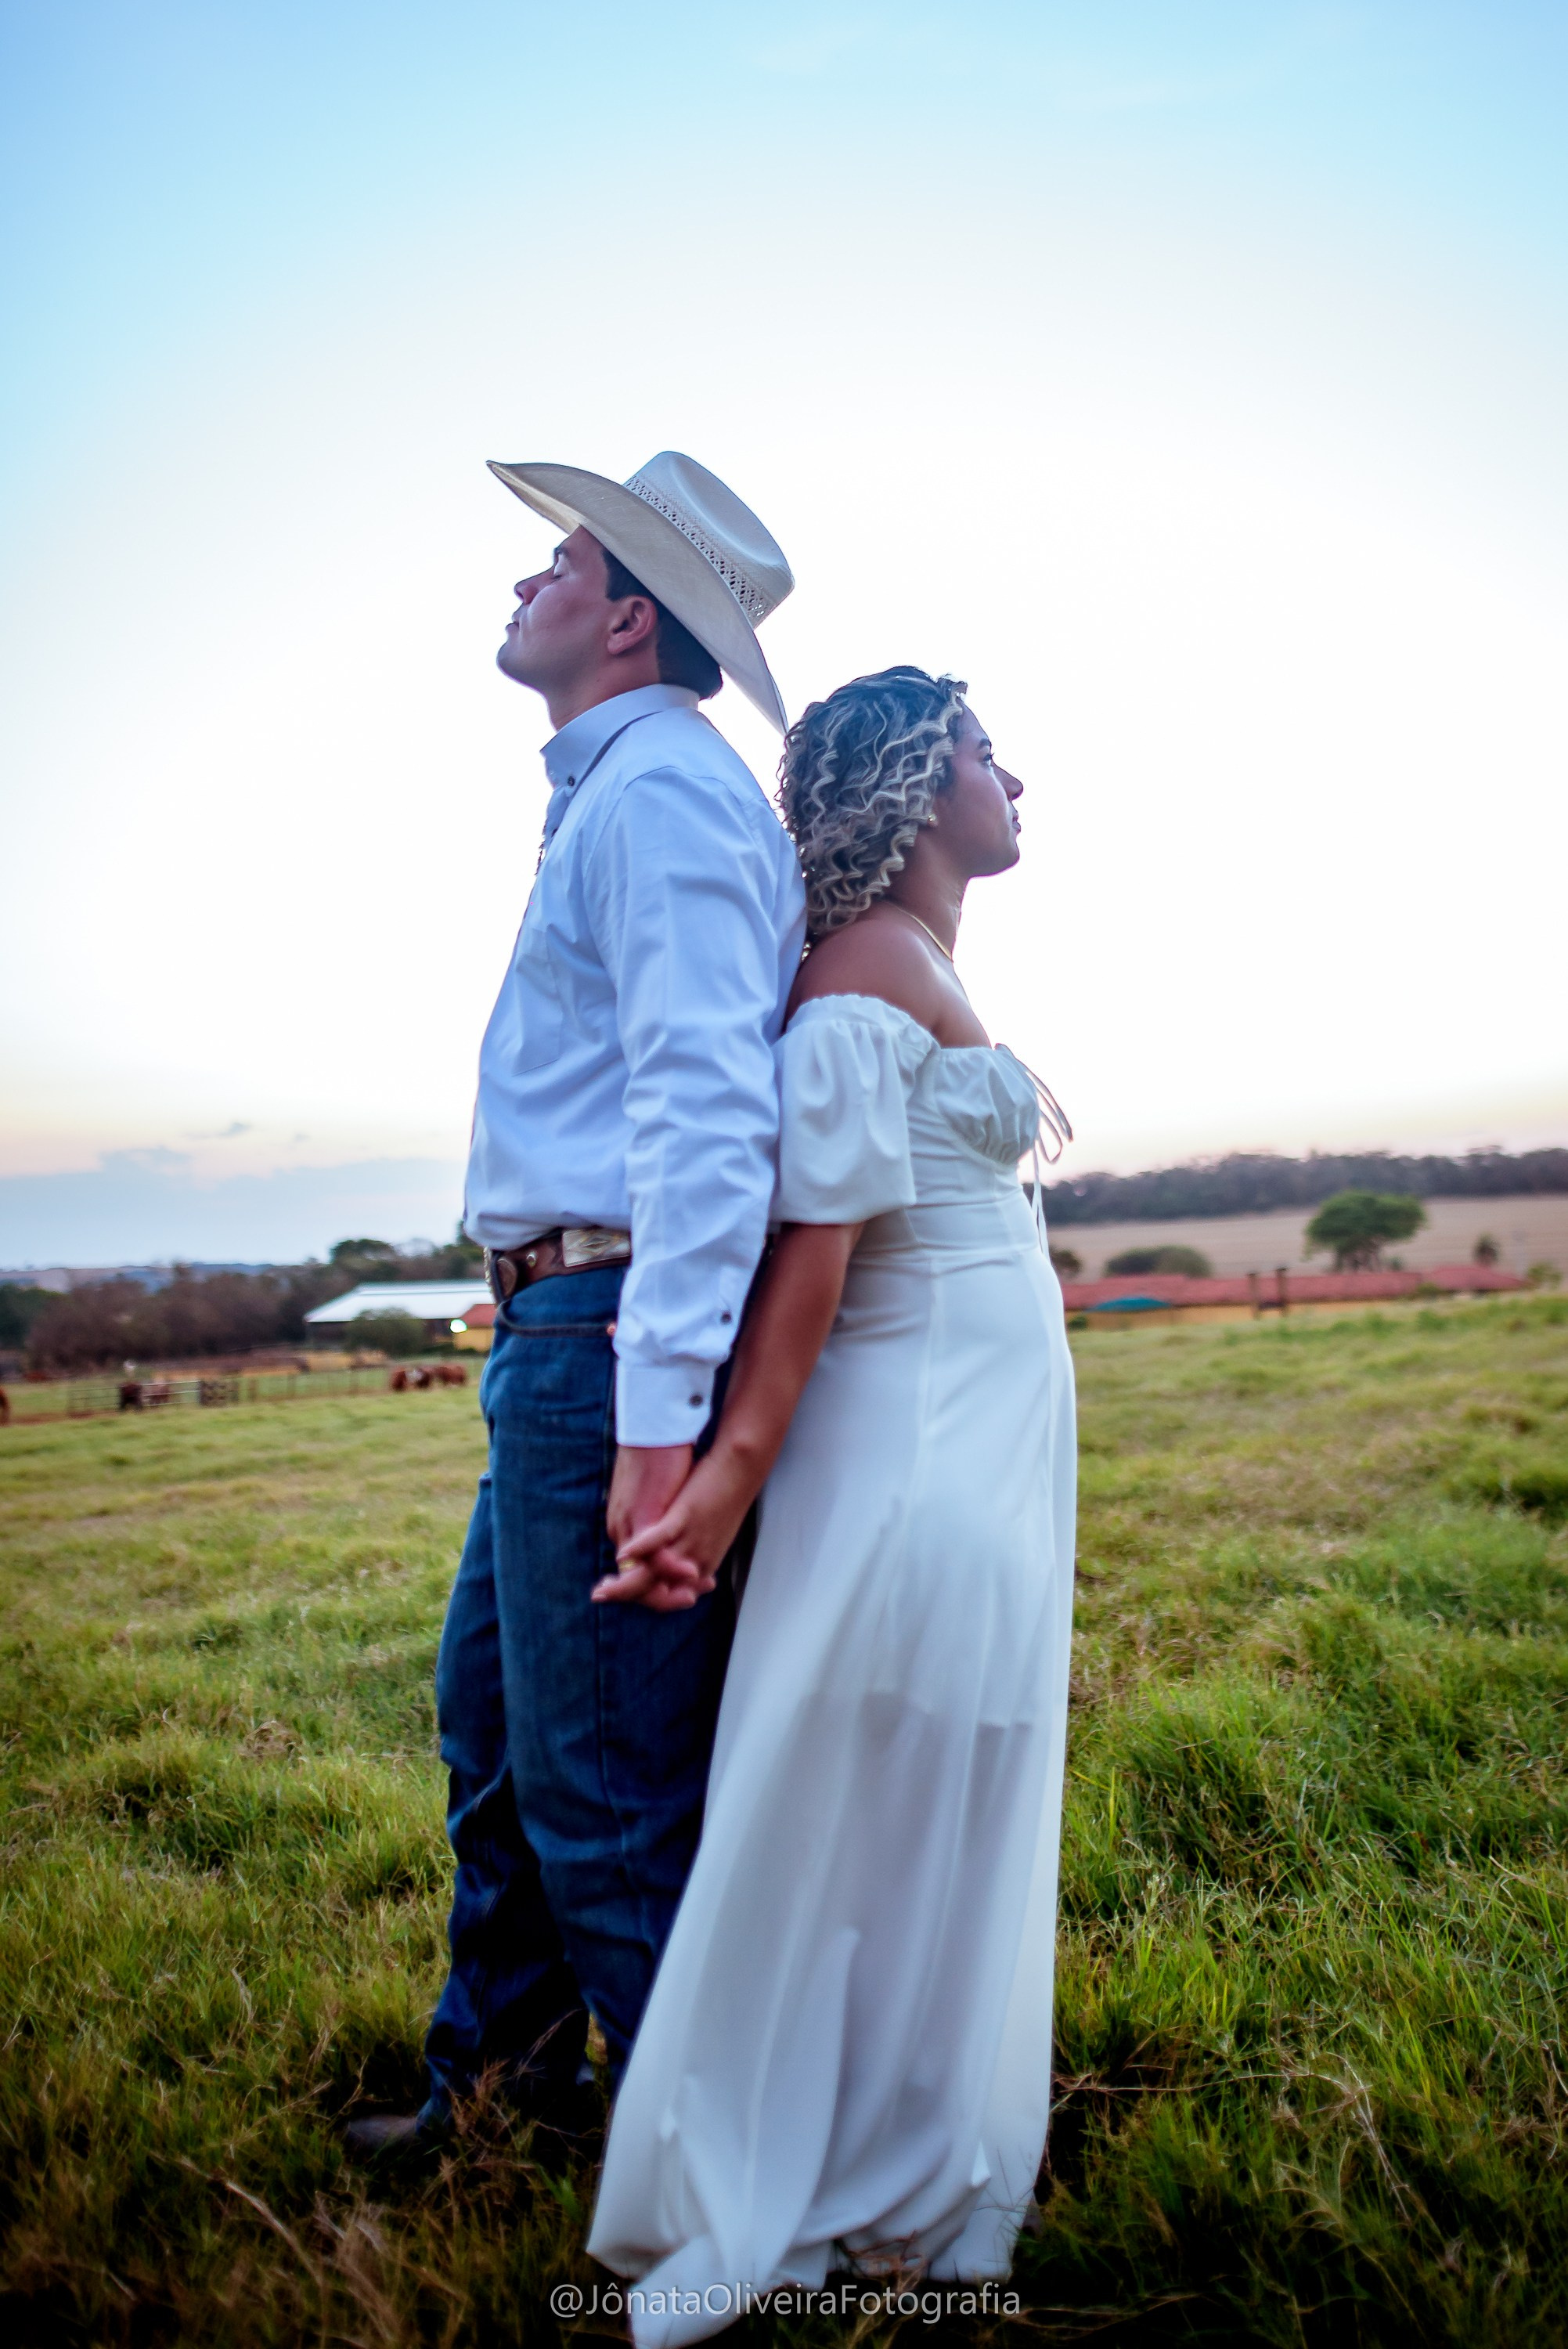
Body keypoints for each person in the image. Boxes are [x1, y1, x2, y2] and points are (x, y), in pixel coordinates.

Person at [587, 666, 1077, 2344]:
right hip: (917, 1438)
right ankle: (823, 2158)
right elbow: (816, 1254)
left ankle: (910, 2140)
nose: (1019, 779)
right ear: (917, 780)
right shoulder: (864, 968)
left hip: (985, 1436)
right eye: (989, 752)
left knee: (955, 1767)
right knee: (878, 1771)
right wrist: (725, 1480)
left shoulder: (921, 958)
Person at [345, 452, 805, 2156]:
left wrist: (658, 1415)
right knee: (497, 1733)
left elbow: (708, 1121)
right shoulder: (622, 788)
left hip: (606, 1334)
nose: (521, 584)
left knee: (603, 1787)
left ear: (627, 619)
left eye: (559, 561)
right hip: (558, 1331)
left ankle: (720, 2193)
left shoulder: (663, 797)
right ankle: (508, 2083)